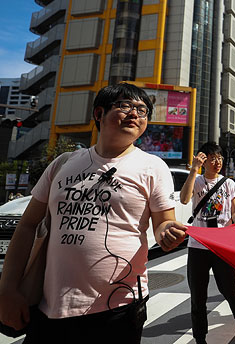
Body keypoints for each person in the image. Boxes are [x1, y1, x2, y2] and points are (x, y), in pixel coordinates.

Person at [0, 83, 187, 342]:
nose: (135, 114)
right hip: (48, 307)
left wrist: (168, 232)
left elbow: (163, 222)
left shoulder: (152, 166)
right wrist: (7, 289)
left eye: (142, 110)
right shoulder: (62, 163)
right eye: (125, 106)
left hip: (118, 307)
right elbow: (28, 225)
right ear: (99, 114)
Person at [180, 142, 235, 344]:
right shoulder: (198, 180)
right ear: (204, 160)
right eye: (212, 158)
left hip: (222, 245)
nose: (216, 162)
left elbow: (234, 210)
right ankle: (200, 338)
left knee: (231, 290)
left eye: (219, 158)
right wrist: (193, 170)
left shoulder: (229, 184)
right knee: (198, 295)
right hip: (198, 246)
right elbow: (185, 200)